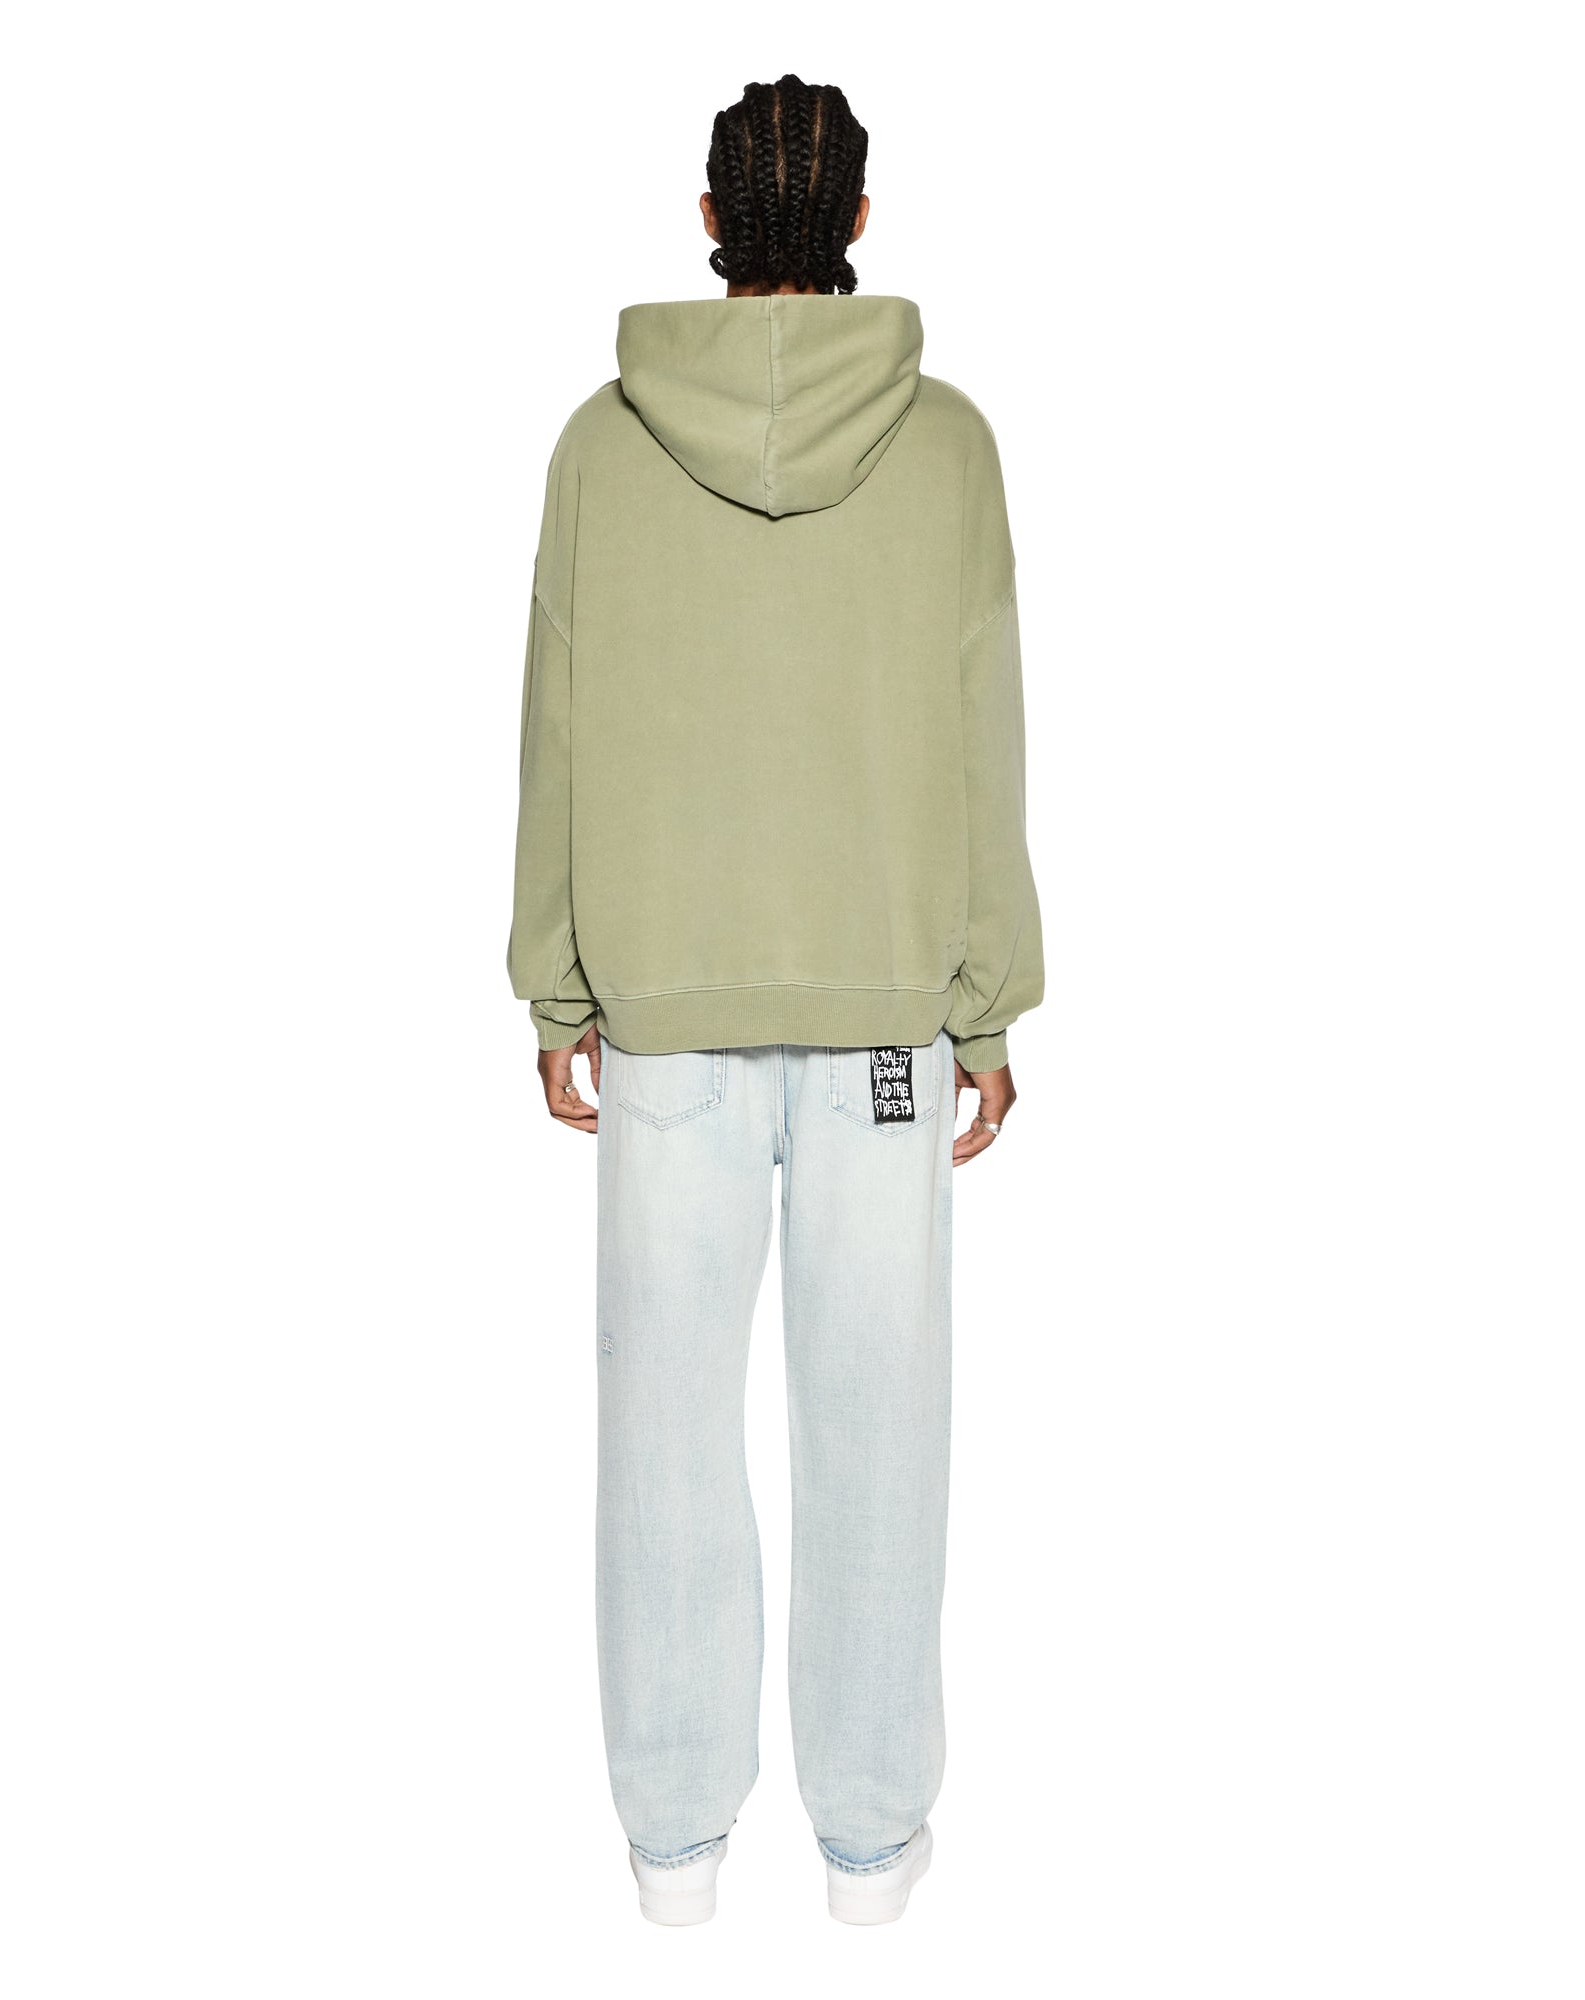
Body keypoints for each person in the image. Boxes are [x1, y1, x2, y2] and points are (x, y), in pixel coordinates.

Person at [507, 73, 1042, 1927]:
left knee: (661, 1444)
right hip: (887, 1009)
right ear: (861, 222)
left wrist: (554, 983)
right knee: (882, 1433)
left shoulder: (600, 445)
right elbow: (984, 730)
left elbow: (556, 720)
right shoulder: (949, 445)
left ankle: (674, 1861)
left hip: (665, 1011)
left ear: (712, 220)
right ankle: (872, 1858)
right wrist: (989, 1004)